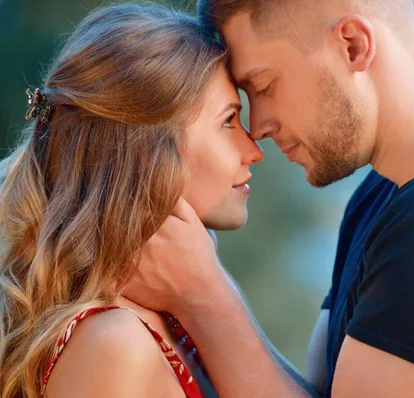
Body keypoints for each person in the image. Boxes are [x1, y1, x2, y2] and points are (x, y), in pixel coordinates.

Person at [125, 0, 414, 397]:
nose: (259, 126)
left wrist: (205, 295)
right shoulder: (388, 190)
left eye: (265, 86)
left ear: (353, 45)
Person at [0, 3, 264, 398]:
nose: (254, 149)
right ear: (148, 154)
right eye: (228, 121)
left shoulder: (171, 320)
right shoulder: (115, 347)